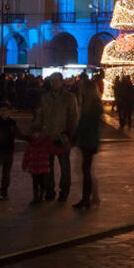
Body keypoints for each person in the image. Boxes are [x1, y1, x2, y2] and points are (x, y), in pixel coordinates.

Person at [33, 72, 79, 202]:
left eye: (56, 80)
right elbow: (40, 115)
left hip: (62, 137)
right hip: (47, 136)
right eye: (52, 81)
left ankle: (64, 191)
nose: (53, 83)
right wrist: (36, 128)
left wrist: (70, 135)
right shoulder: (45, 97)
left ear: (61, 82)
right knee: (48, 166)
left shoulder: (69, 98)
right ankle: (49, 191)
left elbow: (74, 118)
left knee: (64, 167)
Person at [73, 77, 102, 209]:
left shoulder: (92, 105)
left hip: (88, 140)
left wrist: (76, 135)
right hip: (88, 140)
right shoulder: (92, 104)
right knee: (86, 169)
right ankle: (92, 197)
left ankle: (88, 198)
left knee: (86, 169)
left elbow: (86, 124)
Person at [22, 129, 52, 205]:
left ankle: (41, 196)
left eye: (36, 133)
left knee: (42, 183)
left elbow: (53, 149)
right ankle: (36, 197)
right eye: (33, 133)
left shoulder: (45, 143)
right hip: (34, 167)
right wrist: (25, 164)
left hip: (42, 167)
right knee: (35, 183)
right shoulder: (30, 144)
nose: (34, 135)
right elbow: (27, 155)